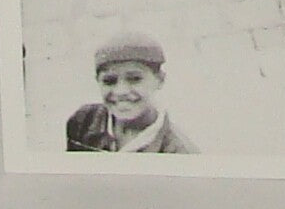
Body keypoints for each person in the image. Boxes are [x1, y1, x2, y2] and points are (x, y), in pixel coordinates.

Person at [66, 32, 197, 154]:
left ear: (160, 80)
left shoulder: (179, 152)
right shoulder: (84, 121)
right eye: (109, 81)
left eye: (135, 79)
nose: (121, 91)